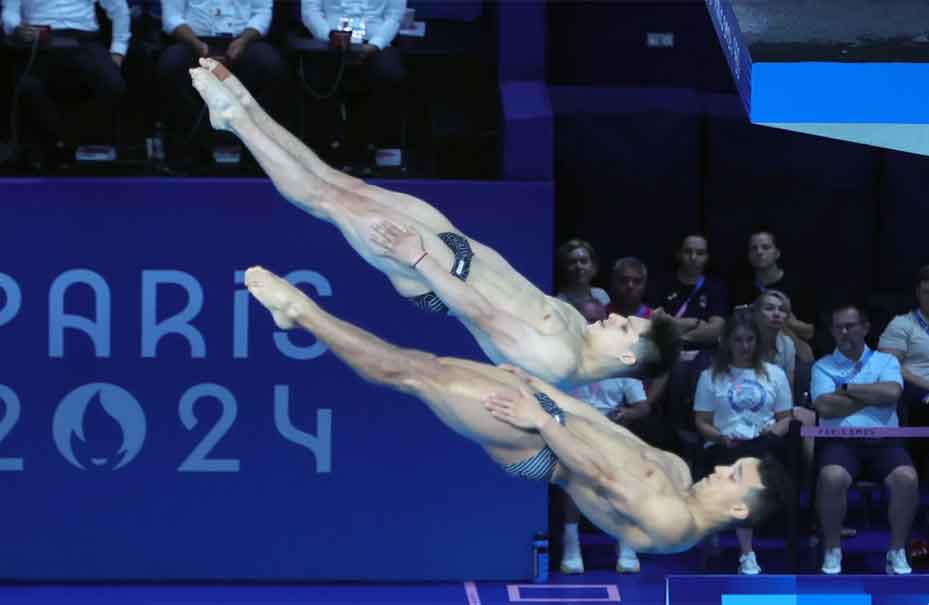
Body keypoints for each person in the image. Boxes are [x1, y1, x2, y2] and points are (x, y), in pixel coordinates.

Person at [187, 60, 678, 388]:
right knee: (340, 184)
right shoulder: (579, 324)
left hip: (429, 270)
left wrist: (417, 258)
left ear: (629, 358)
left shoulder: (559, 362)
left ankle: (236, 121)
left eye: (625, 327)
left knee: (326, 199)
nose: (616, 316)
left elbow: (483, 315)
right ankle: (245, 108)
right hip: (453, 247)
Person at [243, 265, 792, 554]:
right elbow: (606, 435)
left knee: (414, 374)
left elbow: (596, 471)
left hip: (538, 447)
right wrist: (545, 393)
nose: (721, 468)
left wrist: (538, 419)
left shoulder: (675, 525)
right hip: (549, 418)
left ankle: (301, 314)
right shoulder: (677, 475)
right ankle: (304, 314)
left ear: (740, 509)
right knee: (424, 363)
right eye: (731, 465)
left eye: (733, 476)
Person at [812, 303, 917, 575]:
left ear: (865, 328)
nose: (844, 332)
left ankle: (897, 551)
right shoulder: (822, 366)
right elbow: (824, 407)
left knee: (907, 478)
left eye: (850, 326)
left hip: (885, 442)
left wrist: (846, 389)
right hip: (840, 442)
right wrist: (872, 398)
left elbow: (892, 393)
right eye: (838, 328)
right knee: (832, 477)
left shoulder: (886, 361)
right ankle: (832, 549)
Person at [693, 308, 793, 574]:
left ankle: (760, 549)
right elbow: (702, 422)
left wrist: (772, 431)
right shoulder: (711, 376)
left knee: (759, 463)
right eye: (738, 340)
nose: (744, 346)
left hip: (764, 442)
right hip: (724, 445)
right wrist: (721, 436)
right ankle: (747, 554)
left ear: (758, 342)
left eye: (750, 339)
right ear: (726, 342)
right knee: (741, 470)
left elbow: (786, 417)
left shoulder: (775, 374)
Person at [158, 0, 290, 169]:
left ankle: (258, 152)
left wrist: (243, 41)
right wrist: (197, 45)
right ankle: (189, 148)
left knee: (272, 66)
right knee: (170, 65)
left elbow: (262, 12)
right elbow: (172, 17)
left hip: (242, 41)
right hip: (194, 41)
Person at [1, 0, 130, 166]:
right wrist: (17, 27)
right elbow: (8, 12)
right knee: (27, 87)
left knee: (113, 85)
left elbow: (119, 8)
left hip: (84, 39)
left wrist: (118, 50)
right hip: (40, 39)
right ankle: (50, 147)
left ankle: (78, 142)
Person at [300, 0, 408, 168]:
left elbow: (394, 17)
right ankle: (326, 146)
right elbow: (310, 12)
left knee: (391, 74)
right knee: (316, 74)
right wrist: (329, 35)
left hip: (375, 41)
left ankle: (375, 146)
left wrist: (375, 44)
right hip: (329, 40)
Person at [731, 230, 815, 362]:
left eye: (765, 247)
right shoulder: (741, 288)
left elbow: (810, 331)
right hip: (751, 352)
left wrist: (783, 320)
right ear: (748, 256)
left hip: (791, 353)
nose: (759, 252)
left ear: (777, 253)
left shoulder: (797, 285)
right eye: (754, 248)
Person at [879, 264, 929, 480]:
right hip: (914, 389)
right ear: (918, 293)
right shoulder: (902, 324)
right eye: (928, 293)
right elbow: (889, 366)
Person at [652, 234, 728, 351]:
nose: (693, 257)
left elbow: (717, 329)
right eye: (688, 252)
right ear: (679, 254)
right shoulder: (662, 283)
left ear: (707, 257)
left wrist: (679, 335)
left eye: (700, 253)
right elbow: (656, 322)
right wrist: (694, 323)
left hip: (704, 354)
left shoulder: (715, 287)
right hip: (667, 354)